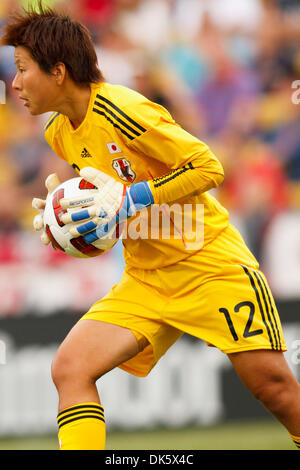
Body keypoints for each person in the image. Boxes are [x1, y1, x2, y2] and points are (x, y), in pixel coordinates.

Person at [1, 3, 300, 451]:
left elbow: (208, 166)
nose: (15, 83)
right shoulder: (58, 132)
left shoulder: (123, 108)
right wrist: (68, 222)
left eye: (23, 69)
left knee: (274, 390)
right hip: (146, 278)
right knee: (70, 368)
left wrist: (131, 199)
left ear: (58, 71)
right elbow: (109, 205)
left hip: (209, 265)